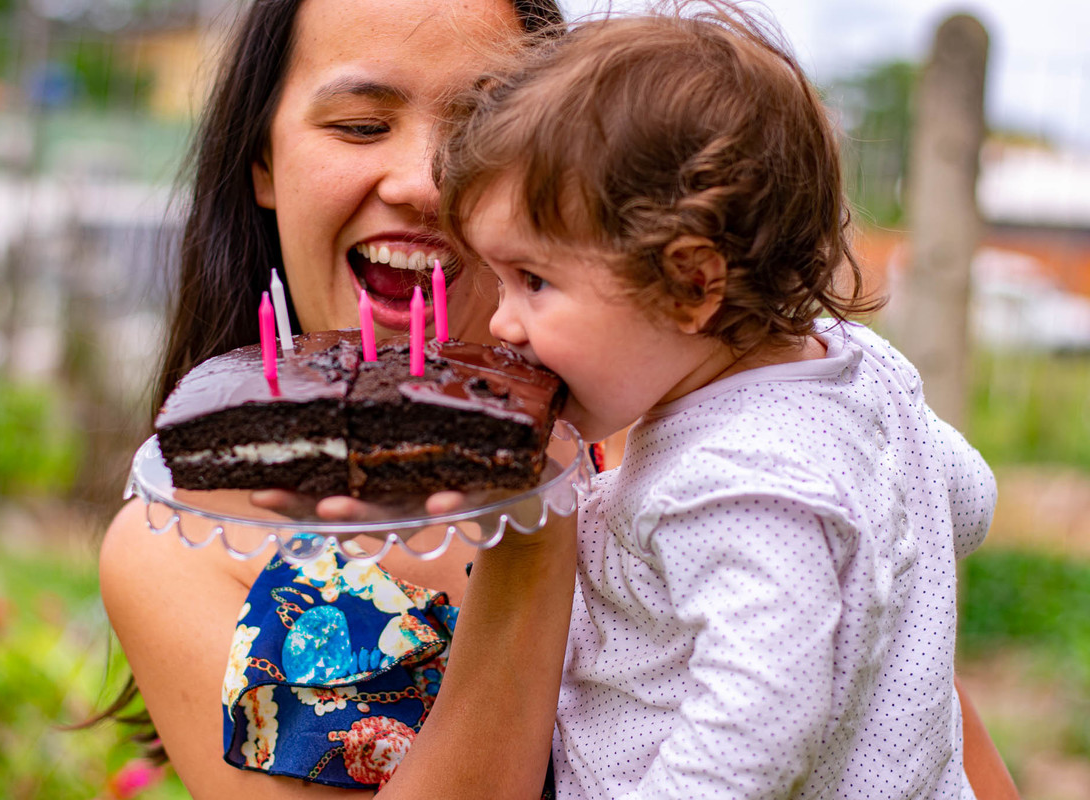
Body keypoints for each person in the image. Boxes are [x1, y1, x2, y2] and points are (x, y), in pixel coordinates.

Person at [98, 0, 1017, 796]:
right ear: (262, 159)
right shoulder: (183, 541)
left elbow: (906, 714)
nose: (423, 182)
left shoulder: (698, 418)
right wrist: (536, 525)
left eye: (474, 128)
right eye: (361, 125)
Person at [431, 3, 1010, 797]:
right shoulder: (861, 367)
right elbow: (968, 500)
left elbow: (755, 734)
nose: (503, 321)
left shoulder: (740, 480)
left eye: (535, 280)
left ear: (692, 282)